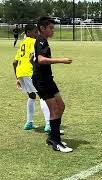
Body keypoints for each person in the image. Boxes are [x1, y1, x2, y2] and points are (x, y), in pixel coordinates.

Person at [32, 16, 73, 153]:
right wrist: (62, 60)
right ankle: (56, 141)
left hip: (48, 78)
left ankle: (52, 137)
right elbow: (41, 59)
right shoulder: (41, 41)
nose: (52, 30)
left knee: (60, 105)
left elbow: (34, 59)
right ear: (42, 28)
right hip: (42, 80)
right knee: (55, 109)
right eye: (50, 28)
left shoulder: (42, 41)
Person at [12, 24, 51, 131]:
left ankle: (29, 123)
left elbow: (14, 62)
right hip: (30, 72)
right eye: (35, 32)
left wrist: (17, 78)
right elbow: (32, 58)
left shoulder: (22, 43)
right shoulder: (34, 42)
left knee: (32, 96)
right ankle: (48, 124)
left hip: (20, 72)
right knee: (43, 96)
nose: (37, 34)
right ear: (28, 32)